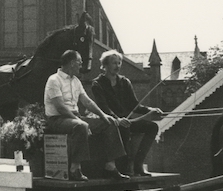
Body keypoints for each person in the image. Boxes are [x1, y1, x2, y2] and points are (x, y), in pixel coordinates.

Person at [44, 50, 128, 181]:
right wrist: (79, 120)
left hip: (74, 117)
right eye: (79, 62)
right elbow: (60, 107)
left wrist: (104, 116)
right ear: (72, 63)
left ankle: (110, 167)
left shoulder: (76, 81)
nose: (81, 65)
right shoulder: (54, 80)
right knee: (81, 126)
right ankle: (75, 169)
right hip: (57, 119)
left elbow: (87, 101)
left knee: (109, 123)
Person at [90, 50, 163, 177]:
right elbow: (103, 107)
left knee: (152, 127)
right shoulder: (97, 84)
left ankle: (138, 165)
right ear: (105, 65)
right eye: (114, 63)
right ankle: (119, 169)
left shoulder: (125, 82)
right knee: (122, 129)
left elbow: (134, 105)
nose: (117, 66)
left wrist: (150, 110)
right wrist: (117, 119)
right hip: (110, 122)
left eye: (119, 63)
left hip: (126, 121)